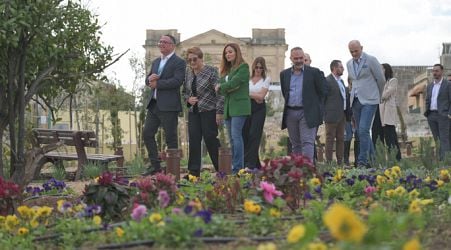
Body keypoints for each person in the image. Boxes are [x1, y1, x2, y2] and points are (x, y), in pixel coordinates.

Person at [142, 34, 186, 175]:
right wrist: (149, 79)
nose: (161, 44)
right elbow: (147, 81)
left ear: (172, 45)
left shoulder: (179, 62)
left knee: (171, 138)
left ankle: (172, 171)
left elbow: (177, 81)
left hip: (169, 106)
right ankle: (156, 167)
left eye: (164, 42)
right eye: (159, 41)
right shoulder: (155, 62)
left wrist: (158, 84)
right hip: (154, 104)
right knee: (147, 133)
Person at [183, 47, 224, 177]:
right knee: (194, 140)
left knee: (210, 139)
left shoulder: (211, 71)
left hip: (209, 111)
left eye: (194, 59)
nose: (192, 62)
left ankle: (222, 169)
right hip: (193, 112)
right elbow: (184, 92)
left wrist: (219, 112)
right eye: (189, 60)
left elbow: (220, 93)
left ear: (201, 58)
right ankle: (193, 173)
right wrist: (188, 100)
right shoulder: (188, 73)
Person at [280, 47, 326, 161]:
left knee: (307, 142)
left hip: (307, 113)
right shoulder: (284, 74)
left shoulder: (314, 73)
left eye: (301, 58)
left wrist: (316, 108)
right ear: (291, 58)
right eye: (296, 58)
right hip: (290, 113)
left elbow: (324, 92)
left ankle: (307, 170)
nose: (299, 60)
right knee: (295, 144)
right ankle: (298, 172)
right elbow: (285, 92)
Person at [346, 40, 385, 168]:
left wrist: (378, 96)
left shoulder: (371, 60)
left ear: (361, 48)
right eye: (351, 51)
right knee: (360, 131)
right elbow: (353, 81)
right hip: (356, 100)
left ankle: (362, 161)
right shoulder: (349, 64)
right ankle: (374, 161)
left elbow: (381, 79)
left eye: (356, 51)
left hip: (370, 100)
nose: (354, 53)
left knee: (363, 129)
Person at [216, 43, 250, 174]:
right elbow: (226, 87)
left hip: (240, 107)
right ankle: (236, 167)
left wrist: (223, 87)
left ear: (237, 52)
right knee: (231, 139)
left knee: (236, 136)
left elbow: (234, 83)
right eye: (226, 53)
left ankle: (238, 169)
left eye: (230, 52)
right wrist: (226, 87)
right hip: (229, 108)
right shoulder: (226, 71)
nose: (228, 54)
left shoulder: (243, 67)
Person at [243, 57, 270, 169]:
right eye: (257, 67)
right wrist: (255, 95)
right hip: (246, 107)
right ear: (253, 67)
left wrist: (248, 94)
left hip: (259, 108)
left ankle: (250, 164)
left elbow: (261, 96)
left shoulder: (266, 79)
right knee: (245, 134)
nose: (258, 69)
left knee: (255, 134)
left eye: (261, 67)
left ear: (263, 69)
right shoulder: (247, 79)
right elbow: (257, 96)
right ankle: (254, 163)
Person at [324, 60, 350, 164]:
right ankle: (329, 162)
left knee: (340, 138)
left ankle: (340, 161)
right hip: (331, 115)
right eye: (341, 67)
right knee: (330, 139)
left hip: (342, 114)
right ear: (334, 68)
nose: (343, 69)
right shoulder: (327, 80)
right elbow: (324, 98)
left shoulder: (341, 81)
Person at [424, 64, 451, 160]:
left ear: (442, 72)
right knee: (437, 140)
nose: (435, 73)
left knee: (444, 139)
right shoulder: (430, 86)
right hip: (431, 115)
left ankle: (446, 162)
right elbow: (428, 99)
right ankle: (440, 161)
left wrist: (449, 114)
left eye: (437, 71)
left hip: (443, 116)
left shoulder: (448, 85)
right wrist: (427, 112)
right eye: (433, 71)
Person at [379, 63, 401, 161]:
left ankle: (395, 158)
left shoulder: (393, 81)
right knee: (389, 138)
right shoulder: (382, 83)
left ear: (386, 70)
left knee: (391, 138)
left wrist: (380, 95)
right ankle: (394, 158)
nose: (380, 71)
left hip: (389, 113)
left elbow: (385, 95)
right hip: (383, 113)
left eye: (382, 69)